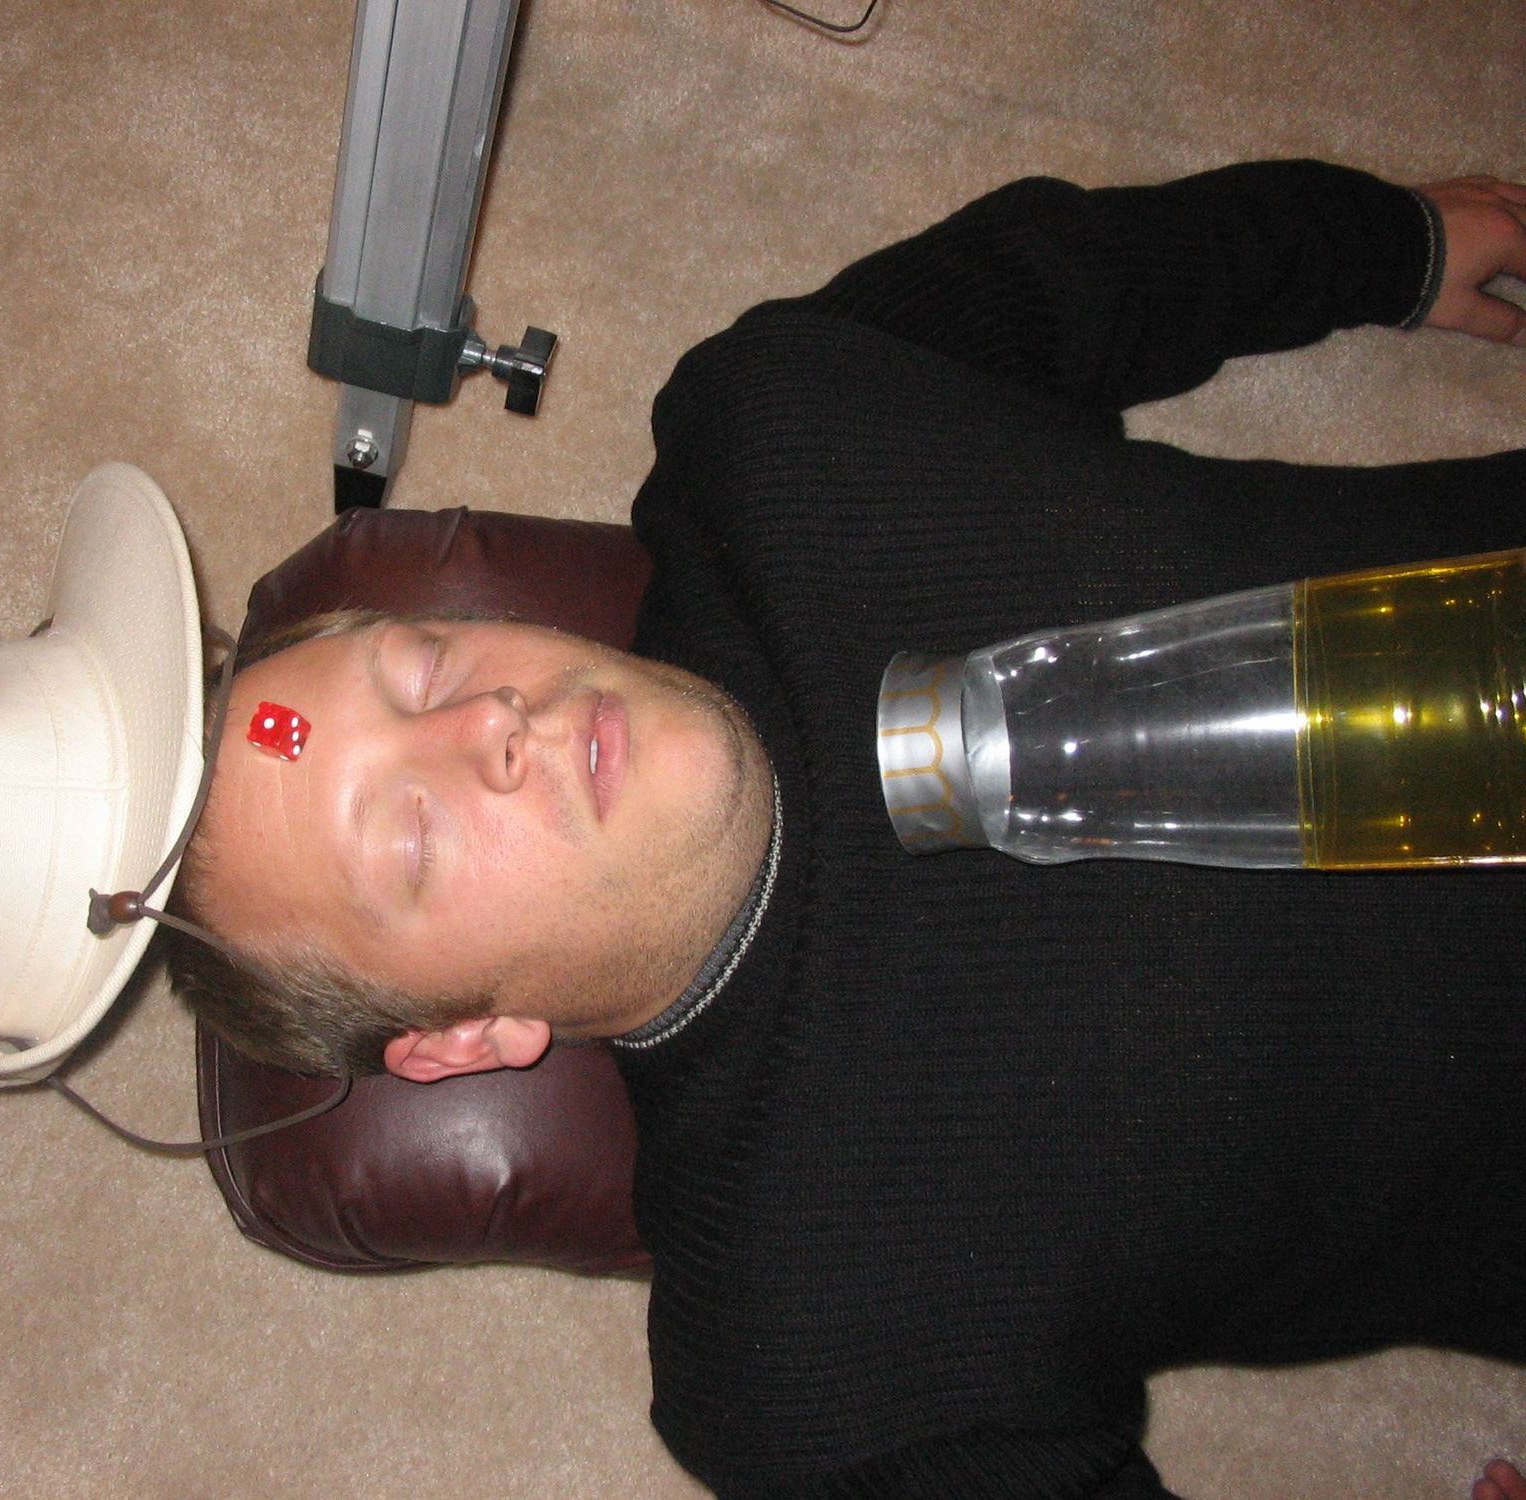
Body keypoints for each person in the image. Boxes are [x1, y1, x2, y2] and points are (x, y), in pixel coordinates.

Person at [166, 160, 1526, 1497]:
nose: (490, 725)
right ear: (464, 1039)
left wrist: (1389, 243)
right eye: (413, 838)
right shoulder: (804, 1357)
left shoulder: (773, 424)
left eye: (420, 671)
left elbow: (1089, 274)